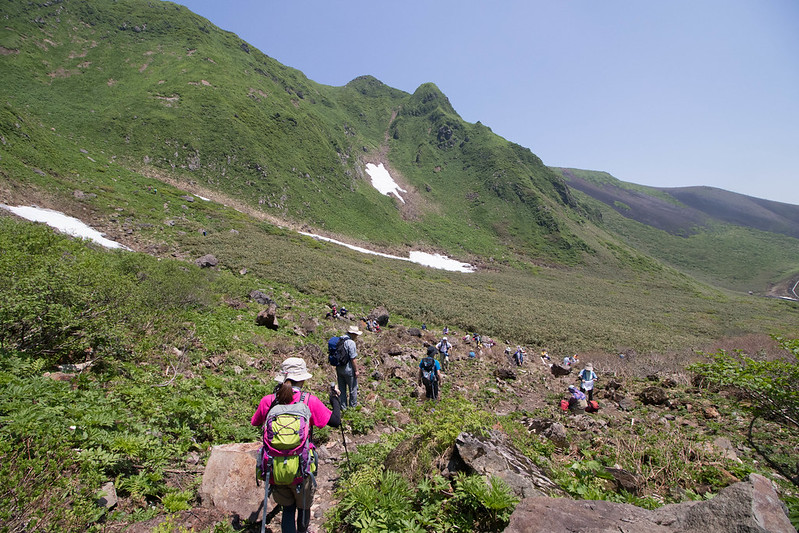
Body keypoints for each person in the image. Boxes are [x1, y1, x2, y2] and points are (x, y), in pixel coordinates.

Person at [251, 357, 341, 533]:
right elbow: (335, 421)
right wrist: (335, 400)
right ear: (303, 378)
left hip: (276, 467)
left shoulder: (268, 401)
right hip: (302, 467)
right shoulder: (309, 401)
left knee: (288, 509)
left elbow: (255, 422)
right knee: (304, 508)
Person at [336, 325, 361, 408]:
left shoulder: (340, 340)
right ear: (353, 334)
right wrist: (356, 370)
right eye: (356, 335)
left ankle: (343, 408)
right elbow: (353, 358)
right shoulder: (351, 343)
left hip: (339, 369)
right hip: (349, 370)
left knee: (342, 389)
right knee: (353, 389)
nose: (357, 336)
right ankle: (352, 408)